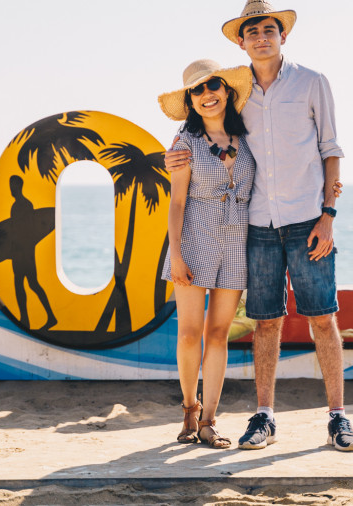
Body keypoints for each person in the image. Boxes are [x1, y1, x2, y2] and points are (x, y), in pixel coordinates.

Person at [166, 0, 353, 452]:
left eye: (268, 29)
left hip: (308, 221)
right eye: (251, 31)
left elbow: (331, 150)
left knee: (323, 318)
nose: (260, 37)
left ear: (283, 35)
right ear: (241, 40)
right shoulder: (237, 94)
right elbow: (199, 136)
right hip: (255, 227)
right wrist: (170, 157)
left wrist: (329, 216)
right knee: (266, 322)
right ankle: (264, 417)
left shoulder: (313, 83)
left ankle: (338, 418)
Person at [157, 59, 256, 449]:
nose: (206, 94)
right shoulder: (184, 146)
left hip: (236, 244)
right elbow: (177, 203)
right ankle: (188, 411)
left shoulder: (248, 141)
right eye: (196, 90)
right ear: (190, 102)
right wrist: (176, 254)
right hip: (194, 243)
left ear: (227, 91)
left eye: (212, 85)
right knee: (189, 332)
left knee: (219, 335)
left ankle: (210, 421)